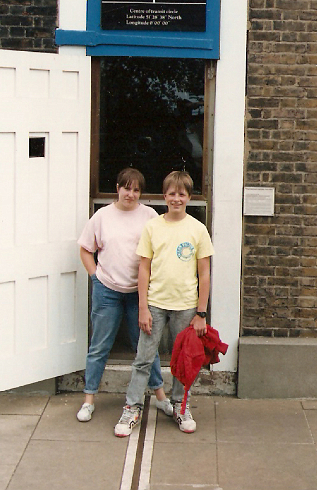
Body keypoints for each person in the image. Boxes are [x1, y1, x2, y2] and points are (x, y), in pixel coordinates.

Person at [114, 171, 214, 437]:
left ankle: (181, 406)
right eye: (171, 194)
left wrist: (201, 313)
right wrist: (143, 307)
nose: (176, 199)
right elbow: (144, 269)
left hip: (186, 306)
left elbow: (204, 274)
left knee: (182, 361)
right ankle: (132, 407)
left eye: (182, 194)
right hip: (156, 304)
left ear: (189, 197)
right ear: (164, 196)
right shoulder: (153, 227)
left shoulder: (197, 229)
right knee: (143, 359)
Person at [76, 168, 173, 422]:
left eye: (136, 190)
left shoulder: (149, 216)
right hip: (107, 290)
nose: (130, 194)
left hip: (138, 294)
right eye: (126, 188)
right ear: (117, 188)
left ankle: (161, 396)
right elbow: (86, 249)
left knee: (145, 347)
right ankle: (88, 399)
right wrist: (95, 277)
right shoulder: (102, 217)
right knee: (99, 345)